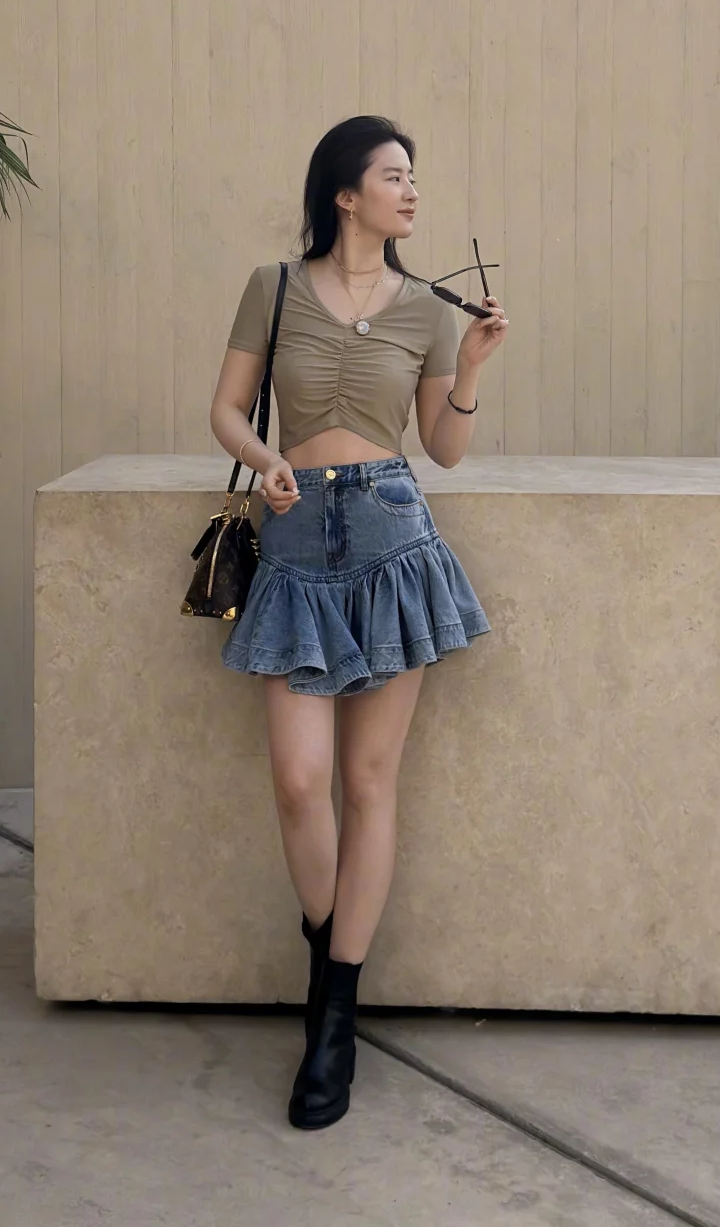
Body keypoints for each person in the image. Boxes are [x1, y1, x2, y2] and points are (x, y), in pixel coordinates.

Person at [209, 115, 509, 1130]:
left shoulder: (427, 307)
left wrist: (472, 366)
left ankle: (332, 1018)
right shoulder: (273, 287)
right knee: (300, 782)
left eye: (414, 177)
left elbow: (443, 450)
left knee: (369, 782)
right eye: (394, 175)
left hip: (392, 538)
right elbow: (226, 410)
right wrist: (265, 462)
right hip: (295, 543)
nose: (411, 191)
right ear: (345, 193)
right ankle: (326, 957)